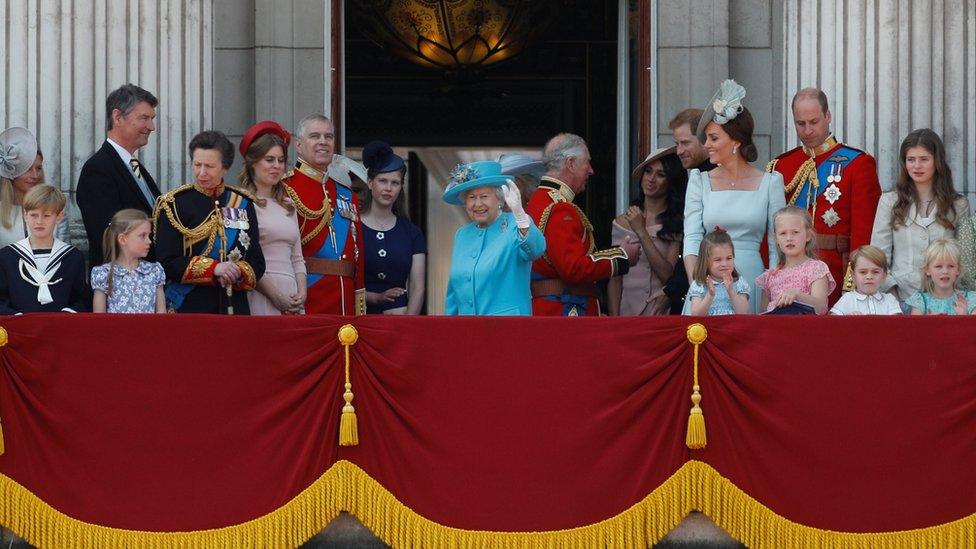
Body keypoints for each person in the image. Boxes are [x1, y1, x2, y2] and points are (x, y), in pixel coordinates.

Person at [767, 87, 881, 303]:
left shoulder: (857, 163)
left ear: (828, 116)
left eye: (814, 121)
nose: (808, 130)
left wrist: (854, 281)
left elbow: (864, 233)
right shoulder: (782, 166)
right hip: (788, 274)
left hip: (837, 271)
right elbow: (770, 230)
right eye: (801, 124)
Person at [683, 80, 785, 314]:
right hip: (707, 283)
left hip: (752, 279)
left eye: (714, 138)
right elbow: (692, 238)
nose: (706, 145)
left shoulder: (771, 182)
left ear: (736, 142)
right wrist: (698, 286)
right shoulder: (699, 180)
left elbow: (775, 245)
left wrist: (768, 294)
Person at [525, 133, 640, 316]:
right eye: (587, 162)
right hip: (564, 311)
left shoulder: (537, 202)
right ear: (570, 164)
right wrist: (622, 257)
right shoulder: (559, 208)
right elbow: (573, 268)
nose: (591, 170)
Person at [153, 131, 264, 314]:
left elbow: (257, 261)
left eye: (210, 166)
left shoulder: (242, 203)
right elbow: (166, 262)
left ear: (225, 168)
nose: (201, 173)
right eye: (197, 165)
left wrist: (236, 272)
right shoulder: (174, 204)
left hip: (233, 306)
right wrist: (214, 268)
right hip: (190, 307)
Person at [870, 129, 969, 305]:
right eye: (911, 159)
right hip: (900, 299)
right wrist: (891, 294)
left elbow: (964, 257)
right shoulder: (889, 202)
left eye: (924, 159)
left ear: (937, 162)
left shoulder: (958, 204)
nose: (917, 166)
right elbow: (878, 255)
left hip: (945, 300)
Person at [282, 114, 365, 315]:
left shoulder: (347, 195)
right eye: (315, 136)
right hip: (306, 299)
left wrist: (359, 306)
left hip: (344, 302)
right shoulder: (284, 188)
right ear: (299, 145)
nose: (323, 142)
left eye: (328, 136)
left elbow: (358, 257)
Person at [443, 161, 545, 315]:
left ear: (499, 199)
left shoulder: (515, 224)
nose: (477, 204)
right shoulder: (462, 235)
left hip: (506, 329)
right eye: (471, 197)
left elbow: (536, 250)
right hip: (468, 330)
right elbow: (454, 288)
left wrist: (521, 216)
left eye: (484, 196)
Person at [77, 84, 162, 268]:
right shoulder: (98, 170)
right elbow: (108, 236)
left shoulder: (134, 166)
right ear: (117, 117)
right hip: (120, 287)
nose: (151, 126)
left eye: (152, 119)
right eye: (144, 118)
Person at [237, 121, 307, 315]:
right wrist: (276, 296)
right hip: (260, 293)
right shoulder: (240, 204)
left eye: (281, 160)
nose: (277, 166)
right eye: (269, 160)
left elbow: (297, 258)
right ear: (252, 162)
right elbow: (245, 260)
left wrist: (302, 293)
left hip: (292, 295)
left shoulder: (288, 204)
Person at [607, 146, 686, 316]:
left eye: (661, 174)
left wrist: (641, 231)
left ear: (671, 181)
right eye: (648, 171)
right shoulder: (621, 222)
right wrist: (613, 320)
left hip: (659, 313)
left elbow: (668, 276)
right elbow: (615, 278)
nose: (651, 179)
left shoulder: (676, 224)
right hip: (626, 313)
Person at [360, 140, 426, 315]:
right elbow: (344, 282)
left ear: (400, 187)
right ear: (369, 182)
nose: (388, 188)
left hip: (399, 319)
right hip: (358, 322)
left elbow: (417, 287)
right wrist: (374, 297)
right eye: (382, 181)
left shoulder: (412, 233)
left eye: (395, 183)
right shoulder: (352, 226)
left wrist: (407, 326)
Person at [0, 185, 86, 314]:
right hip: (20, 330)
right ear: (25, 215)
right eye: (34, 215)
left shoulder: (72, 257)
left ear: (58, 217)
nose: (39, 221)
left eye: (46, 215)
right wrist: (17, 318)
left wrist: (66, 314)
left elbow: (80, 299)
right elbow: (1, 299)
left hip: (60, 328)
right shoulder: (7, 257)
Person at [756, 206, 835, 314]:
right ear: (776, 239)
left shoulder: (817, 269)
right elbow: (762, 315)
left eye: (795, 232)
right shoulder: (769, 276)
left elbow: (821, 307)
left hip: (804, 329)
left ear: (808, 235)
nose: (789, 238)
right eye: (783, 233)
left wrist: (797, 295)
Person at [0, 128, 68, 247]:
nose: (35, 175)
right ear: (11, 172)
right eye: (27, 169)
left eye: (38, 168)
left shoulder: (56, 209)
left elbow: (66, 256)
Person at [91, 209, 165, 313]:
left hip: (149, 329)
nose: (149, 241)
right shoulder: (104, 274)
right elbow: (99, 319)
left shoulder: (154, 271)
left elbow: (161, 314)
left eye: (149, 235)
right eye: (142, 236)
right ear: (122, 239)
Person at [685, 228, 751, 316]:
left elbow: (743, 312)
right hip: (710, 328)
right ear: (705, 261)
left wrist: (731, 290)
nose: (724, 264)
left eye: (729, 258)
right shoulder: (699, 284)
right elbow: (696, 315)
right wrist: (710, 295)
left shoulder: (738, 282)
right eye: (718, 260)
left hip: (733, 327)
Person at [906, 239, 976, 315]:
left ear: (958, 269)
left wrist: (963, 317)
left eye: (951, 266)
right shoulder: (920, 300)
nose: (945, 271)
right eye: (938, 266)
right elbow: (915, 326)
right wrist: (930, 323)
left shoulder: (970, 298)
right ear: (927, 270)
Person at [829, 245, 902, 315]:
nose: (869, 277)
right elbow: (833, 323)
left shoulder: (889, 300)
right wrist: (848, 320)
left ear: (884, 275)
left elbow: (897, 324)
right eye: (863, 272)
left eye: (875, 272)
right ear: (853, 275)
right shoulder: (847, 299)